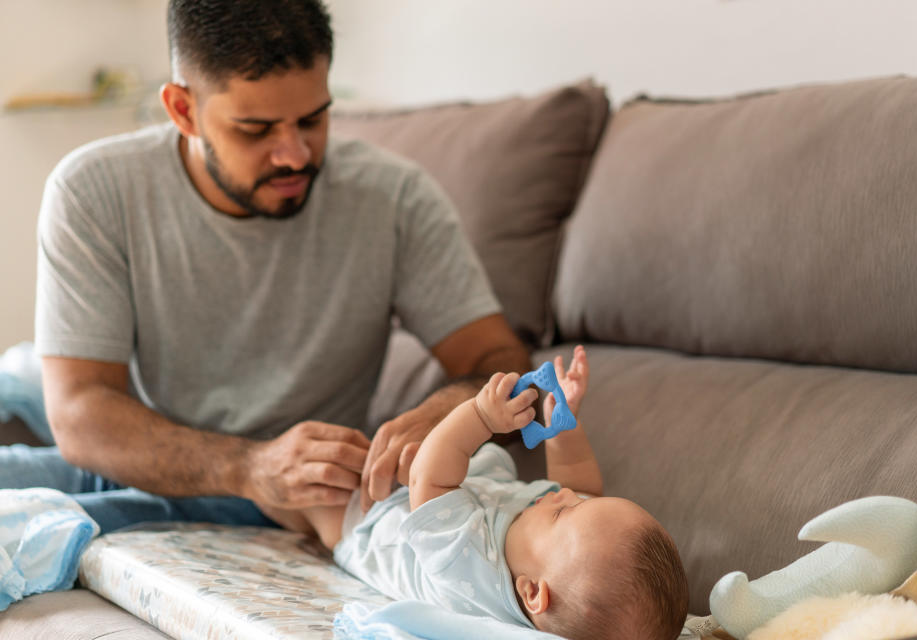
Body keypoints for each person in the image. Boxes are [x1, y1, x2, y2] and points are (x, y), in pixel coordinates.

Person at [1, 0, 530, 533]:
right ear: (183, 110)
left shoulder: (397, 199)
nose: (296, 155)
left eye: (313, 119)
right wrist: (249, 467)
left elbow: (499, 359)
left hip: (307, 502)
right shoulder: (95, 190)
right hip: (143, 466)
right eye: (256, 130)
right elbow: (80, 414)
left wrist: (453, 410)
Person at [263, 347, 690, 640]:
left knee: (317, 495)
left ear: (532, 593)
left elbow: (431, 479)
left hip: (373, 521)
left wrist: (481, 416)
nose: (565, 496)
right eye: (583, 504)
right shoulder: (547, 549)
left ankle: (262, 499)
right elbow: (580, 482)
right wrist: (563, 428)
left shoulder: (470, 567)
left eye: (566, 512)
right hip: (452, 490)